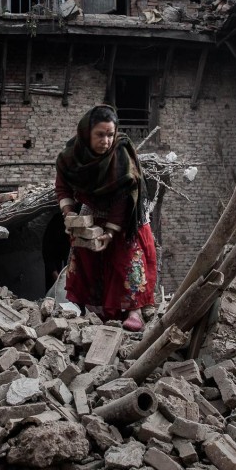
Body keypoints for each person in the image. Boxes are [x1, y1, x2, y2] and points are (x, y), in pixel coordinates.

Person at [55, 105, 157, 330]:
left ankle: (134, 310)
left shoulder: (120, 155)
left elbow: (124, 197)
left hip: (127, 212)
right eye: (100, 135)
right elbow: (62, 188)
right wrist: (71, 216)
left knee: (127, 254)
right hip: (92, 206)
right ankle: (91, 307)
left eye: (110, 134)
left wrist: (110, 232)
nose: (106, 141)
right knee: (83, 250)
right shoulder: (70, 157)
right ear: (86, 134)